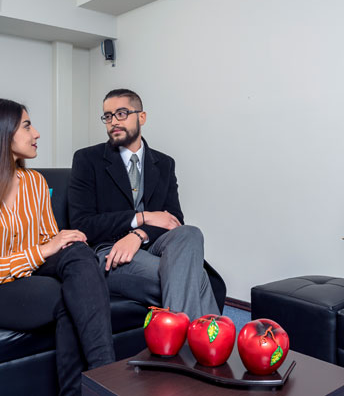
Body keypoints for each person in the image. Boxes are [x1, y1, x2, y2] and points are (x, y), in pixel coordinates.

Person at [68, 89, 220, 320]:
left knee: (190, 233)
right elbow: (82, 224)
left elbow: (173, 219)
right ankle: (207, 346)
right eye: (108, 116)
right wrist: (141, 217)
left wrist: (138, 235)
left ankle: (180, 339)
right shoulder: (87, 159)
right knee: (194, 277)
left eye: (121, 113)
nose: (113, 122)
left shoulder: (165, 163)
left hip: (153, 244)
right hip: (111, 252)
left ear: (142, 117)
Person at [0, 99, 115, 396]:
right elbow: (44, 249)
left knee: (77, 251)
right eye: (27, 125)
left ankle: (106, 380)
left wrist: (66, 241)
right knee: (69, 297)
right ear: (4, 132)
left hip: (30, 272)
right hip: (4, 284)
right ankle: (101, 384)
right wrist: (44, 250)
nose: (36, 133)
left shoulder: (35, 181)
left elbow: (52, 239)